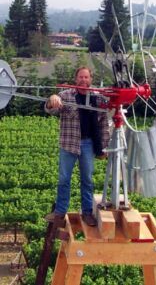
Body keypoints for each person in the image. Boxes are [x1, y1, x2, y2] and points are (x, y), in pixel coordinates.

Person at [45, 67, 110, 226]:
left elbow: (104, 125)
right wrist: (52, 99)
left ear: (90, 79)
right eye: (80, 77)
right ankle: (60, 212)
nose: (83, 80)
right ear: (76, 79)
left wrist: (103, 147)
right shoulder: (66, 95)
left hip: (88, 144)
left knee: (87, 179)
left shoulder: (98, 98)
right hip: (69, 144)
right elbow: (50, 109)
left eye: (86, 77)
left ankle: (87, 212)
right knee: (64, 179)